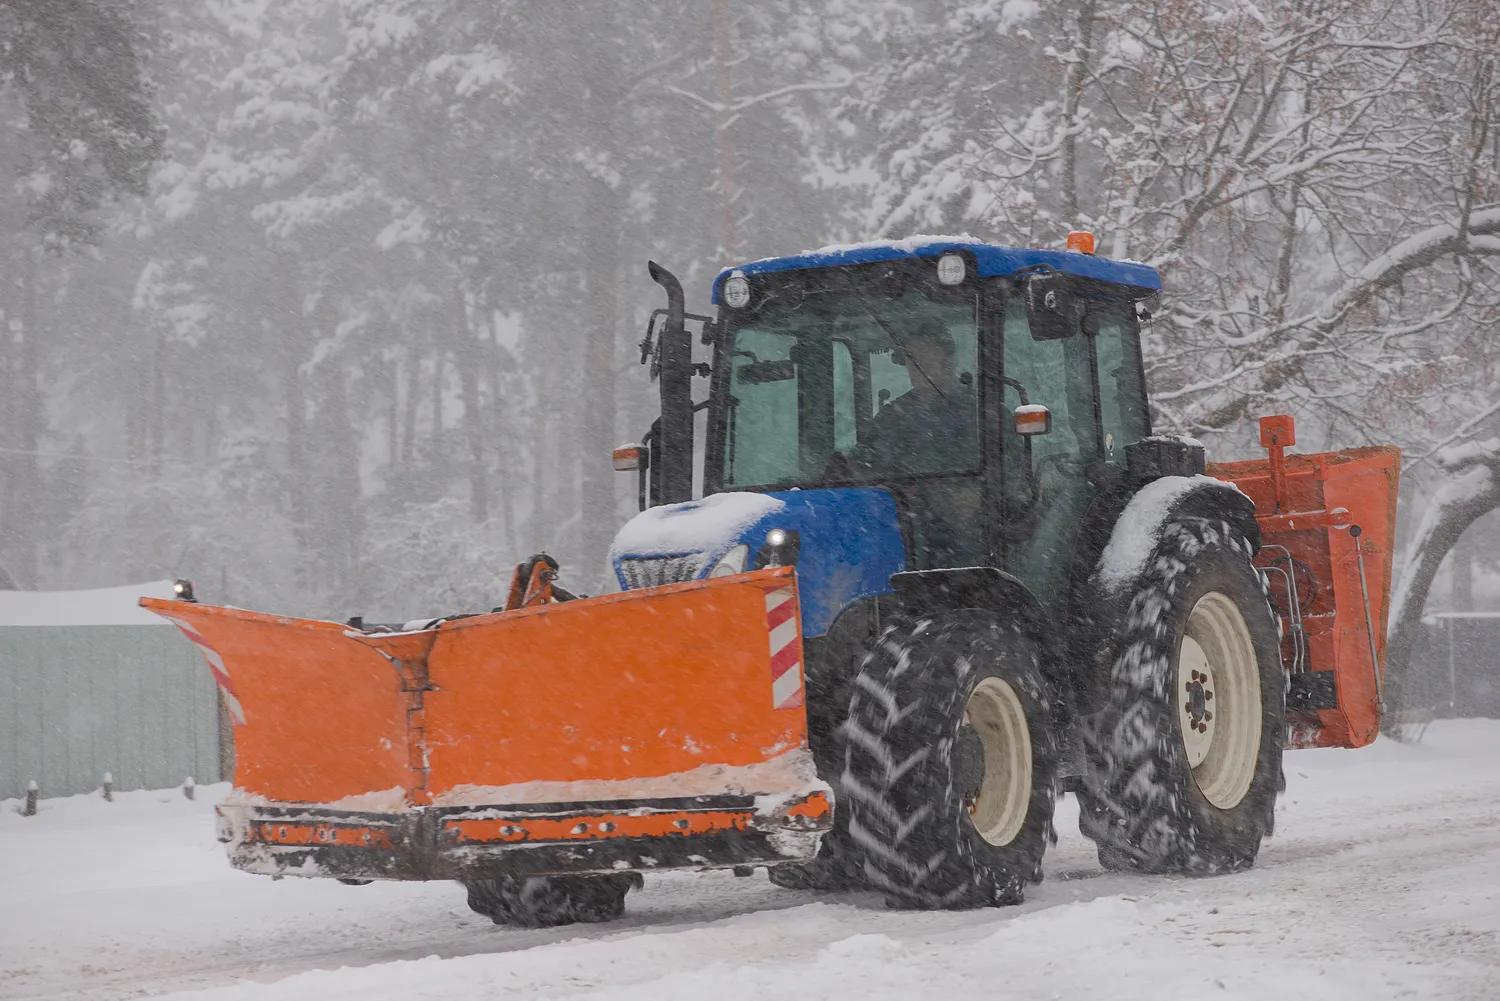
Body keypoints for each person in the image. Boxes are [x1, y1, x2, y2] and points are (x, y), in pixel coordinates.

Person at [858, 318, 977, 476]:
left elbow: (1009, 467)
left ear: (947, 362)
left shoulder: (979, 412)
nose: (917, 366)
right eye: (912, 358)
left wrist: (971, 490)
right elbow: (866, 466)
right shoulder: (890, 416)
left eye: (925, 358)